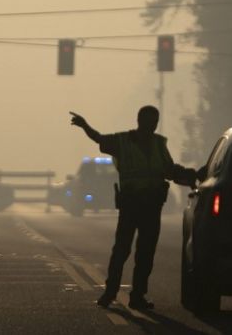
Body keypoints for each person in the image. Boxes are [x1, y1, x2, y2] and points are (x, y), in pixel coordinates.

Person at [69, 106, 197, 310]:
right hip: (131, 206)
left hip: (152, 207)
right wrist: (85, 126)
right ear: (139, 121)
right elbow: (100, 139)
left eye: (154, 122)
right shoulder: (123, 142)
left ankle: (137, 296)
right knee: (121, 250)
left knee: (145, 254)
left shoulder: (158, 144)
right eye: (149, 121)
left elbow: (169, 170)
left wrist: (192, 175)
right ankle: (110, 293)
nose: (152, 126)